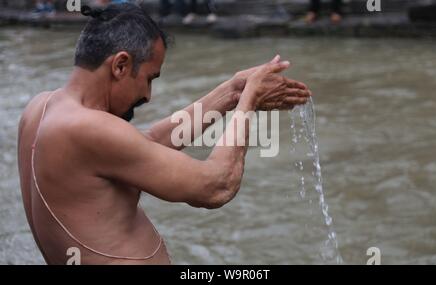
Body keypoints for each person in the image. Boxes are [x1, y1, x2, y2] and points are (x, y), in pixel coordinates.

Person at [17, 3, 312, 265]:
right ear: (120, 65)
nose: (148, 95)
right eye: (149, 79)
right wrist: (250, 101)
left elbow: (147, 144)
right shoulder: (86, 128)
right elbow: (216, 186)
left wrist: (231, 93)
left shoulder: (41, 108)